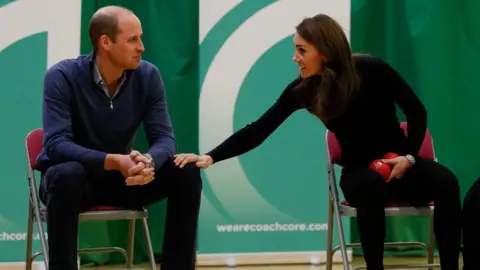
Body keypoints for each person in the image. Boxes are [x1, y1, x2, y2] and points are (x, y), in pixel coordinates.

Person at [174, 14, 462, 270]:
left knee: (446, 181)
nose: (295, 57)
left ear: (324, 52)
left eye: (302, 50)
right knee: (370, 186)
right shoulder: (304, 90)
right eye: (295, 49)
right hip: (359, 173)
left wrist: (409, 158)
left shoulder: (374, 69)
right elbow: (258, 130)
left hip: (402, 165)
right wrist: (210, 157)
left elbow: (417, 111)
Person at [37, 6, 201, 270]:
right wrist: (114, 161)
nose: (142, 47)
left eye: (141, 38)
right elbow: (56, 145)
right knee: (67, 173)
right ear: (106, 42)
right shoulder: (62, 76)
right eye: (133, 39)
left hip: (125, 179)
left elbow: (165, 139)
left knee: (187, 169)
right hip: (75, 184)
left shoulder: (148, 76)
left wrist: (147, 161)